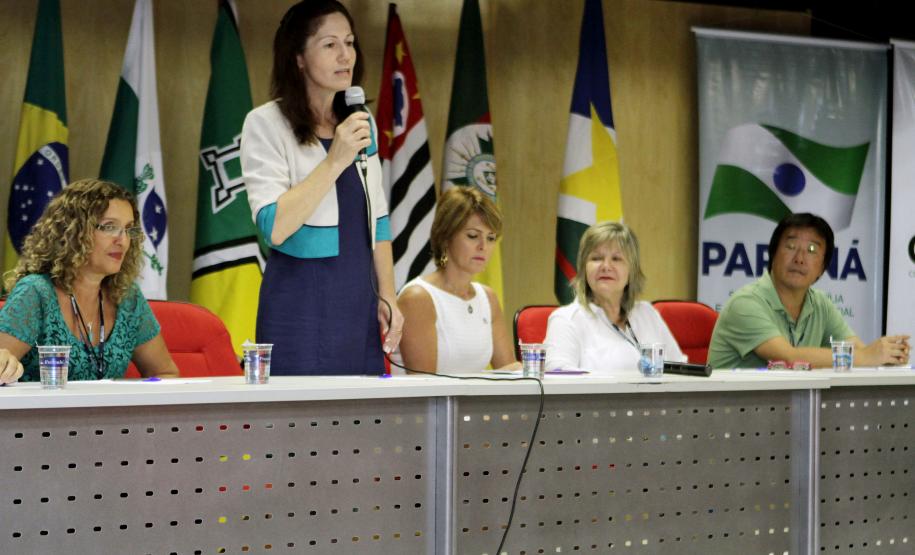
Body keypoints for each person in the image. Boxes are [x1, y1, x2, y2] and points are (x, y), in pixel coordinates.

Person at [240, 0, 402, 375]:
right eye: (330, 44)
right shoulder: (265, 124)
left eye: (350, 42)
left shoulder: (361, 122)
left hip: (359, 301)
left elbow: (378, 220)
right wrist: (334, 160)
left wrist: (389, 296)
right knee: (301, 411)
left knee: (361, 408)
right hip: (299, 305)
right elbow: (274, 226)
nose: (346, 55)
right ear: (298, 57)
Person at [0, 179, 179, 382]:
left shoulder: (127, 297)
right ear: (73, 232)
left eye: (129, 229)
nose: (123, 240)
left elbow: (165, 373)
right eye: (109, 227)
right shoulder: (36, 292)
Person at [708, 213, 910, 369]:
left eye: (812, 250)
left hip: (790, 407)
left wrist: (887, 355)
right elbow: (788, 358)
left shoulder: (819, 304)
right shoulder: (745, 304)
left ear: (822, 268)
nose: (800, 258)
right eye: (791, 246)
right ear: (773, 254)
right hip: (731, 410)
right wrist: (866, 357)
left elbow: (857, 349)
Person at [396, 187, 519, 374]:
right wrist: (490, 378)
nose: (483, 246)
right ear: (446, 237)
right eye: (473, 236)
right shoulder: (417, 298)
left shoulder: (488, 297)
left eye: (491, 238)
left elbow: (511, 374)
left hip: (475, 395)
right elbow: (424, 384)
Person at [544, 221, 685, 374]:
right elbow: (558, 377)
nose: (606, 266)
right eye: (596, 258)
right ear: (584, 269)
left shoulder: (647, 314)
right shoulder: (566, 320)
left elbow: (681, 371)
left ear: (632, 271)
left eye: (616, 259)